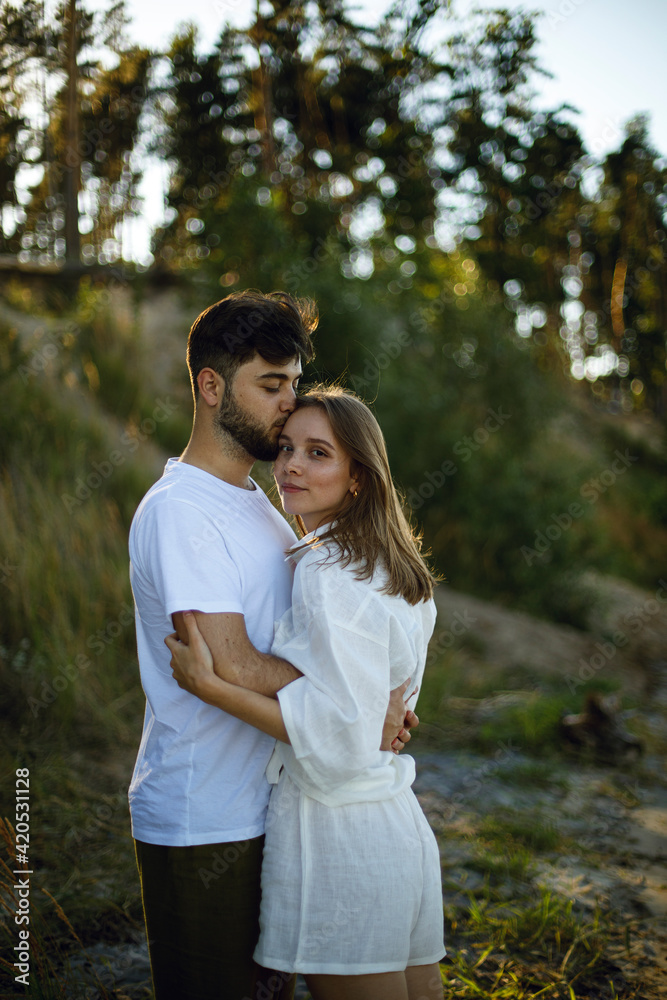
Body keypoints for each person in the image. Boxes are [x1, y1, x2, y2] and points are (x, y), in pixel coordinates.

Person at [128, 290, 417, 1000]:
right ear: (210, 385)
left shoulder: (260, 500)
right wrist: (351, 705)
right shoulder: (181, 512)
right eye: (270, 385)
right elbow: (230, 665)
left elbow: (312, 643)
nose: (289, 403)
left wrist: (365, 698)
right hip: (204, 818)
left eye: (293, 383)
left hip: (274, 805)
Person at [166, 386, 446, 1000]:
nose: (291, 464)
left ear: (357, 478)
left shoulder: (326, 570)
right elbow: (369, 703)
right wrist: (373, 712)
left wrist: (211, 686)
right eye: (287, 447)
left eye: (319, 453)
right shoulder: (390, 567)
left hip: (339, 833)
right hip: (397, 824)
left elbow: (341, 734)